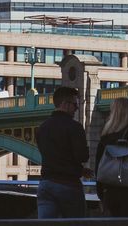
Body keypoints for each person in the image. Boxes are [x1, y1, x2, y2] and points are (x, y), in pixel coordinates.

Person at [35, 86, 89, 218]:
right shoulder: (74, 127)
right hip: (68, 185)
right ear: (65, 104)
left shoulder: (42, 128)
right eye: (75, 104)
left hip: (45, 185)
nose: (76, 108)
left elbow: (53, 157)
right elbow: (82, 156)